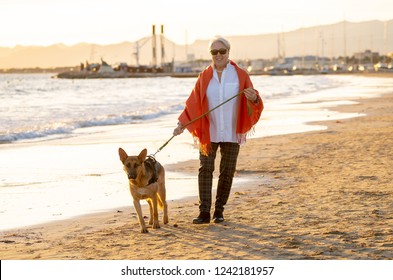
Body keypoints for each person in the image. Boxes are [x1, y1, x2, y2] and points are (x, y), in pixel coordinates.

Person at [173, 36, 264, 224]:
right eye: (214, 52)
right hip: (209, 131)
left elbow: (254, 101)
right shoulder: (204, 76)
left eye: (222, 51)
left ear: (228, 52)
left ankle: (219, 211)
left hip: (232, 130)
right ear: (211, 54)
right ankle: (204, 212)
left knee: (227, 171)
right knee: (205, 169)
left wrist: (254, 98)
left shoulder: (240, 74)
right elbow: (193, 103)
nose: (218, 55)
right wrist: (182, 124)